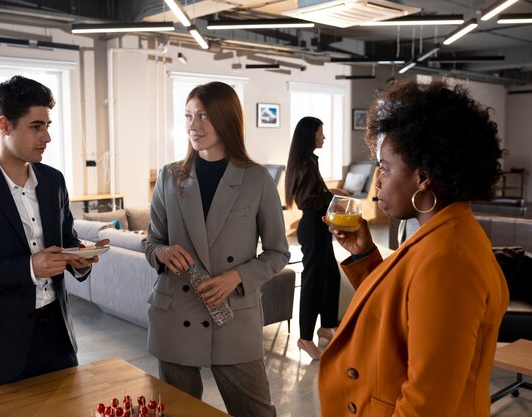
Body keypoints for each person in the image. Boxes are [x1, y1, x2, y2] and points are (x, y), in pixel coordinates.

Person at [318, 80, 509, 416]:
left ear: (423, 178)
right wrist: (365, 257)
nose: (377, 181)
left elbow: (427, 405)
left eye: (386, 168)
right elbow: (402, 319)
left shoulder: (449, 259)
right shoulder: (441, 233)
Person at [0, 75, 108, 390]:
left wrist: (78, 257)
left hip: (57, 337)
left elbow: (64, 241)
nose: (47, 137)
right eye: (36, 126)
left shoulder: (53, 181)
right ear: (4, 125)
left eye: (48, 126)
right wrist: (28, 268)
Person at [145, 81, 290, 417]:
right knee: (179, 413)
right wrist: (162, 253)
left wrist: (236, 277)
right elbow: (152, 241)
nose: (193, 126)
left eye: (204, 116)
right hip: (175, 313)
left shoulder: (257, 179)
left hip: (234, 317)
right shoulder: (170, 177)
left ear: (227, 119)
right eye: (188, 116)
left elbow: (278, 252)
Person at [285, 116, 348, 360]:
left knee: (331, 276)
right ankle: (305, 338)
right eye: (321, 132)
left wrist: (329, 192)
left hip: (318, 228)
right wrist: (329, 196)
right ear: (310, 134)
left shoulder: (308, 160)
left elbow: (312, 194)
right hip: (312, 228)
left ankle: (327, 325)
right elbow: (305, 202)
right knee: (312, 284)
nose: (324, 137)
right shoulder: (306, 163)